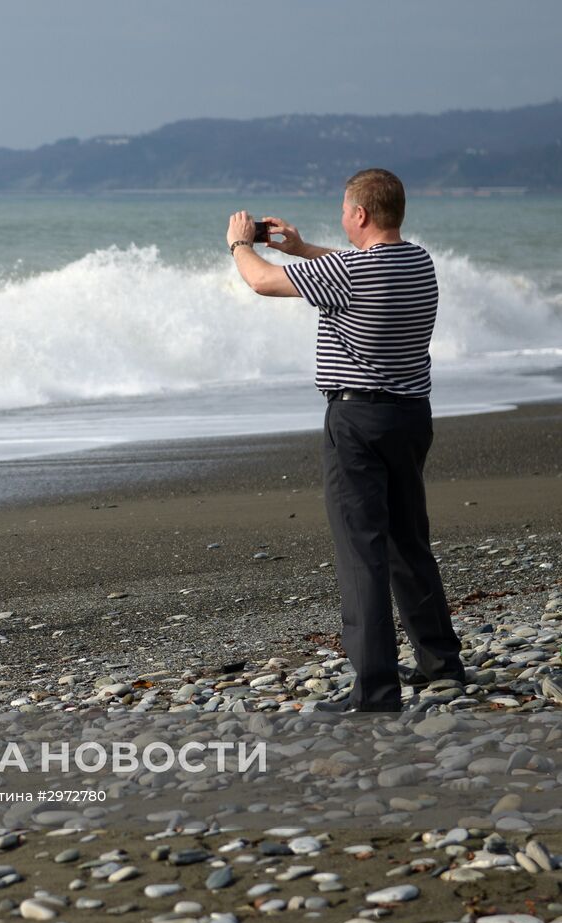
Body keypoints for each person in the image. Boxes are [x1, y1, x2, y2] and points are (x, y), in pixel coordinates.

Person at [225, 168, 466, 713]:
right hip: (411, 416)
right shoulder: (417, 261)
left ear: (359, 214)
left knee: (362, 551)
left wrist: (242, 243)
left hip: (358, 421)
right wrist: (304, 246)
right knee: (408, 541)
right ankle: (441, 663)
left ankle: (376, 689)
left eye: (343, 209)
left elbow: (261, 281)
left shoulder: (352, 271)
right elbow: (352, 266)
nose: (341, 217)